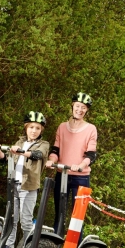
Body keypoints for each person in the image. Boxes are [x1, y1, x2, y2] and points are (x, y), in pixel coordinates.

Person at [0, 111, 50, 248]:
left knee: (26, 221)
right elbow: (6, 159)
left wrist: (21, 152)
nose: (34, 131)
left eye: (37, 128)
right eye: (31, 127)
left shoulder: (43, 144)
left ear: (41, 130)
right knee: (12, 219)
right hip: (14, 185)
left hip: (28, 187)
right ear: (26, 127)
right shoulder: (20, 142)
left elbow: (38, 155)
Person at [45, 92, 98, 235]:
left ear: (87, 110)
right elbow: (56, 149)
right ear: (73, 106)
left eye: (84, 108)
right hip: (62, 175)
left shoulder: (91, 129)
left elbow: (91, 155)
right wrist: (51, 161)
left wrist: (80, 166)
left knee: (77, 218)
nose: (80, 110)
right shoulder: (62, 127)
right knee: (59, 215)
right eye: (78, 106)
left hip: (80, 178)